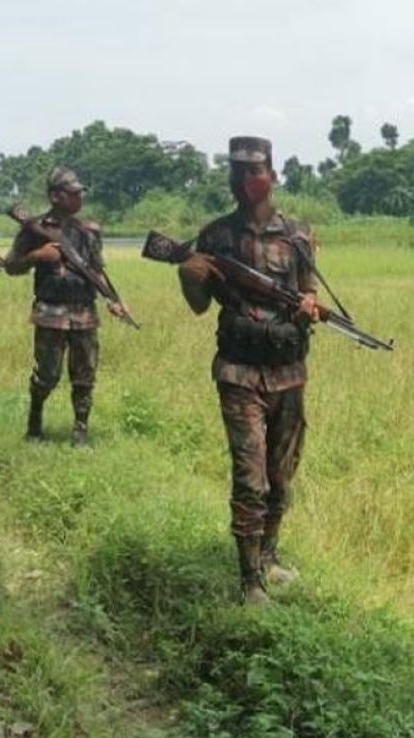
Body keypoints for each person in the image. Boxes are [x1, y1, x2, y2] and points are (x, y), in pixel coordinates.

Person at [176, 136, 320, 605]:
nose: (245, 180)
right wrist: (188, 277)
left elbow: (308, 291)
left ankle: (270, 555)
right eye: (237, 172)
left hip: (289, 373)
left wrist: (310, 305)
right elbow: (200, 306)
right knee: (250, 476)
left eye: (254, 171)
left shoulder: (298, 236)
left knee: (282, 474)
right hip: (239, 374)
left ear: (272, 176)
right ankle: (249, 579)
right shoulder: (215, 237)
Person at [4, 166, 132, 446]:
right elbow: (10, 266)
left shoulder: (88, 230)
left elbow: (96, 270)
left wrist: (113, 299)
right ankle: (35, 420)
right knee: (47, 375)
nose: (79, 198)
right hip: (50, 313)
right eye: (72, 193)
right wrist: (37, 255)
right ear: (56, 196)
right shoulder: (33, 229)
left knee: (85, 375)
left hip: (84, 313)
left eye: (79, 193)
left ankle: (80, 430)